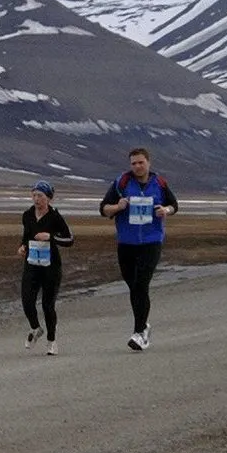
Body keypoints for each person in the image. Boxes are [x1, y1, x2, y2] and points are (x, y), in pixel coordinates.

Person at [99, 147, 178, 351]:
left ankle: (139, 333)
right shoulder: (122, 183)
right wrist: (117, 207)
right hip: (126, 243)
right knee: (133, 285)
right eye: (133, 163)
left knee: (141, 284)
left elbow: (174, 204)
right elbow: (103, 208)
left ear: (148, 163)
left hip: (151, 241)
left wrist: (165, 210)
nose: (137, 166)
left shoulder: (159, 183)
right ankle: (144, 325)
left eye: (140, 162)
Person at [19, 180, 74, 356]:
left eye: (40, 196)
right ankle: (35, 328)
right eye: (34, 195)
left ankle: (51, 341)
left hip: (51, 268)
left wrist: (50, 237)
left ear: (48, 198)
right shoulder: (27, 215)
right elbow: (27, 236)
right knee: (27, 300)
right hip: (32, 265)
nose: (36, 199)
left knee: (47, 305)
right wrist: (23, 246)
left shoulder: (55, 217)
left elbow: (69, 240)